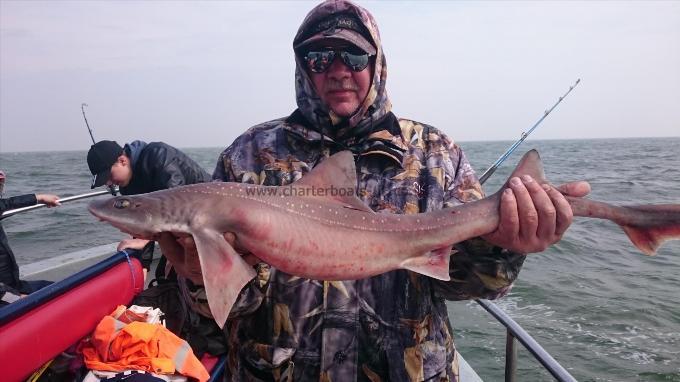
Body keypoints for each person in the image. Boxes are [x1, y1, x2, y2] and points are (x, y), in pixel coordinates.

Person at [158, 1, 591, 380]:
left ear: (377, 61)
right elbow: (216, 322)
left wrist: (504, 247)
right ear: (301, 66)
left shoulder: (434, 154)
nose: (338, 69)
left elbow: (465, 284)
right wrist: (198, 279)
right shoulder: (248, 156)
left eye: (354, 54)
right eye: (319, 56)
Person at [87, 140, 212, 254]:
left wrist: (145, 240)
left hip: (209, 214)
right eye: (105, 182)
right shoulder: (127, 186)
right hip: (184, 228)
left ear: (122, 161)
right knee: (163, 276)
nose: (109, 183)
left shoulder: (159, 155)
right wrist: (144, 265)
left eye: (109, 176)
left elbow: (176, 205)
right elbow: (142, 222)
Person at [0, 170, 61, 305]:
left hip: (13, 285)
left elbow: (9, 203)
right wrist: (16, 298)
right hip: (5, 296)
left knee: (59, 288)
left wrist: (38, 198)